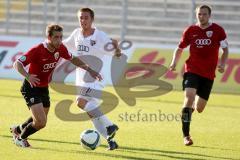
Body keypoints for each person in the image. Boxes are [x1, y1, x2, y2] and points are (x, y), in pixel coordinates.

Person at [10, 24, 102, 148]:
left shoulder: (60, 48)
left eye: (60, 37)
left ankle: (18, 129)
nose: (59, 40)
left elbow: (73, 58)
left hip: (43, 88)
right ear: (49, 37)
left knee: (39, 119)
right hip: (31, 87)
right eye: (56, 37)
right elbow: (17, 63)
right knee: (41, 122)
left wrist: (90, 69)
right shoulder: (38, 49)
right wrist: (28, 76)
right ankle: (20, 138)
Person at [169, 4, 229, 146]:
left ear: (209, 15)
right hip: (192, 70)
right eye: (199, 14)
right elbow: (179, 48)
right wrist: (173, 63)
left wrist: (222, 64)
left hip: (208, 74)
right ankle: (186, 135)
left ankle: (187, 113)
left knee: (199, 108)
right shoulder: (190, 30)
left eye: (204, 14)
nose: (201, 17)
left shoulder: (218, 30)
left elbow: (225, 50)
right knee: (189, 98)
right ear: (196, 15)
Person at [63, 7, 121, 150]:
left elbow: (116, 53)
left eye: (86, 18)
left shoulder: (100, 36)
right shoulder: (76, 34)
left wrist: (117, 48)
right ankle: (110, 141)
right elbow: (63, 45)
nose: (83, 20)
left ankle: (110, 125)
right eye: (81, 18)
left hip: (95, 77)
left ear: (92, 20)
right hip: (81, 77)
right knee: (92, 114)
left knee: (80, 102)